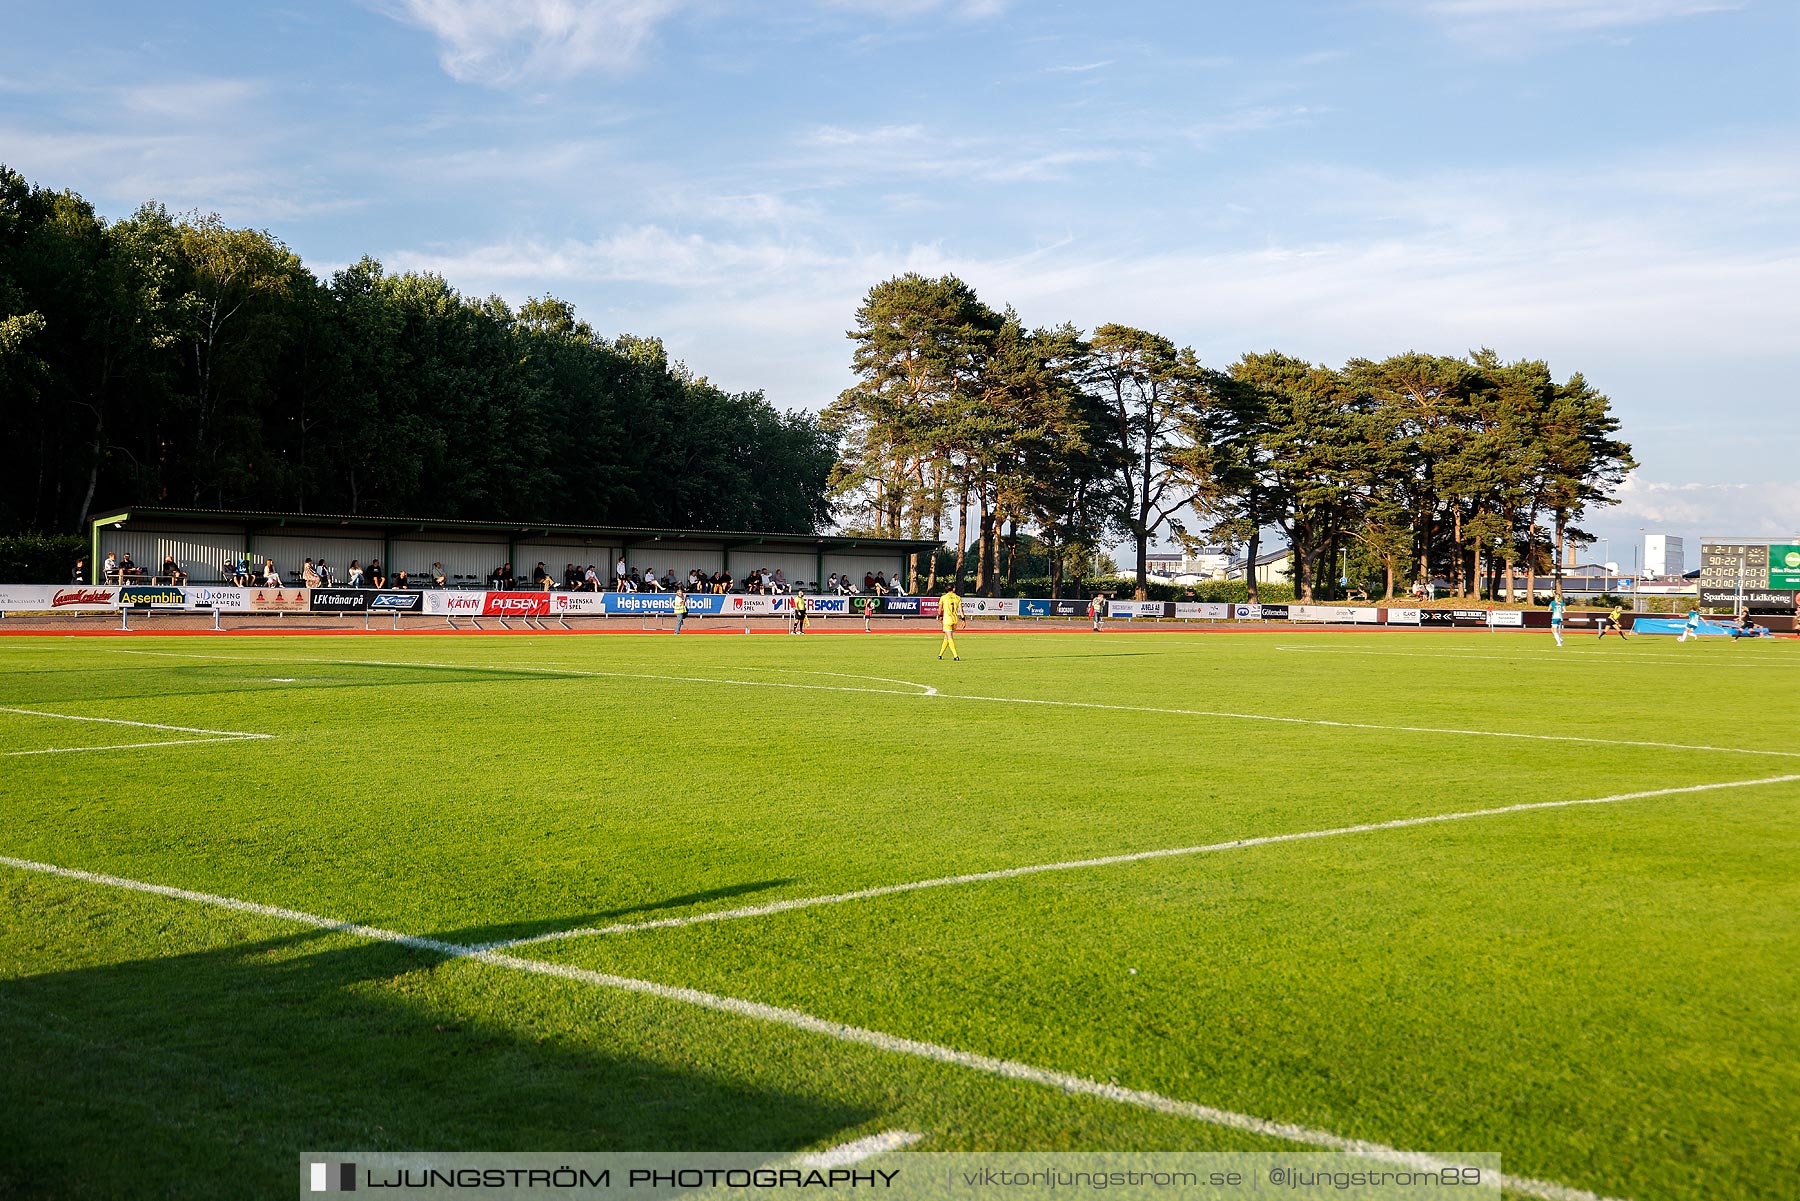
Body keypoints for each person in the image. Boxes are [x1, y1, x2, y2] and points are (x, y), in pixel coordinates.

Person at [938, 585, 964, 660]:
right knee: (946, 637)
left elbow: (939, 609)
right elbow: (961, 610)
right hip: (955, 620)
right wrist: (963, 619)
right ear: (953, 589)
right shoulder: (958, 598)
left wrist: (940, 616)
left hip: (947, 620)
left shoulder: (943, 597)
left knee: (949, 637)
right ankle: (940, 655)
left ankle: (956, 656)